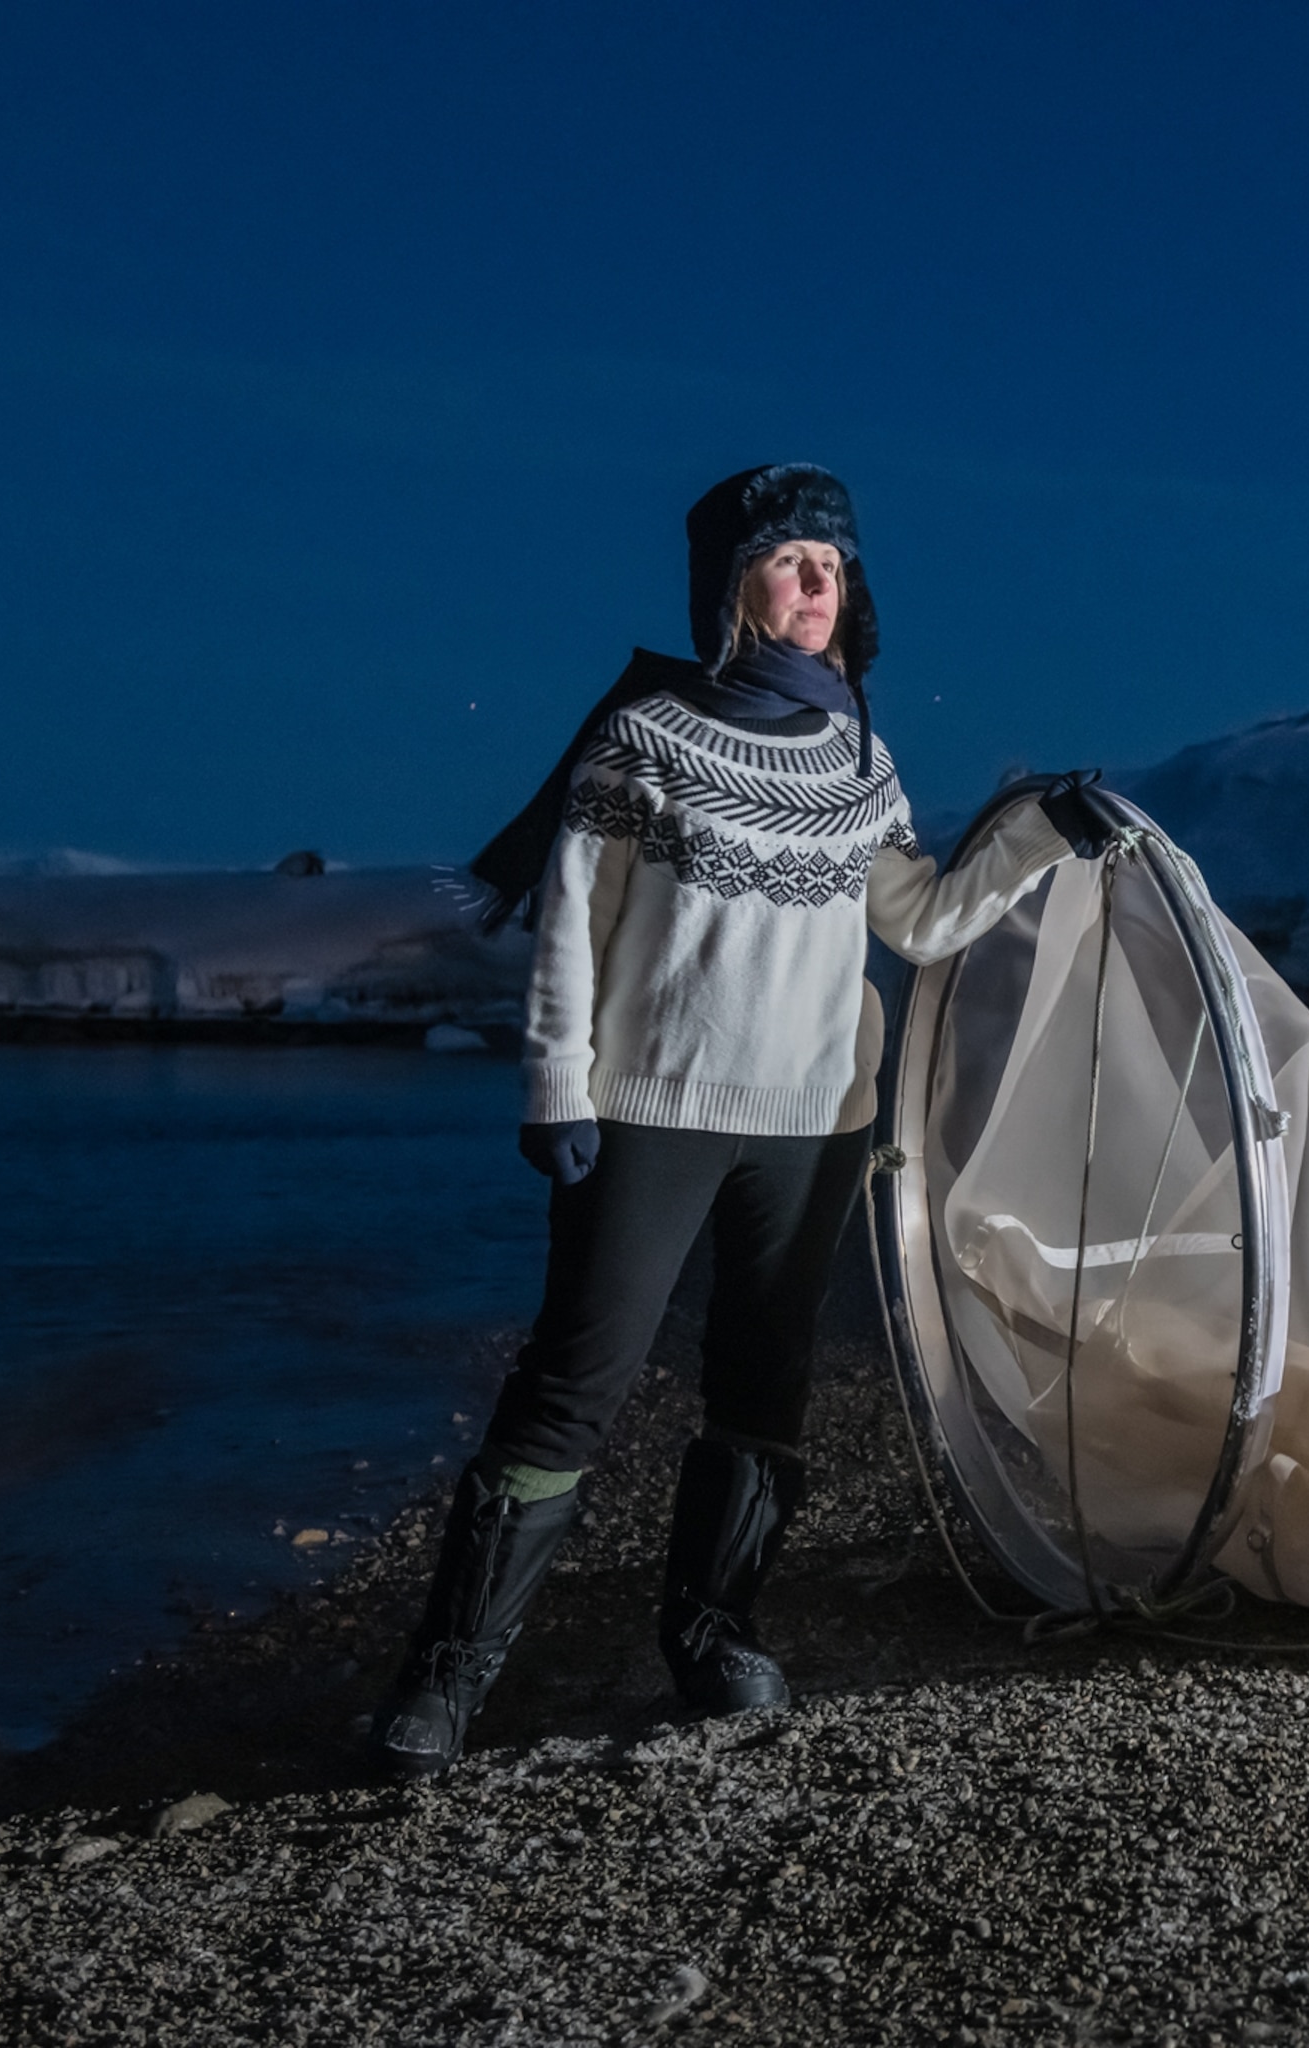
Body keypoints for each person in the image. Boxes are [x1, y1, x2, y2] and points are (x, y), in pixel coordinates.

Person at [371, 464, 1116, 1779]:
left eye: (835, 560)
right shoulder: (644, 741)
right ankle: (450, 1670)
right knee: (573, 1389)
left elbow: (922, 922)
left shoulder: (858, 755)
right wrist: (557, 1086)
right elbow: (572, 939)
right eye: (789, 560)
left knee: (760, 1388)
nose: (819, 581)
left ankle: (715, 1630)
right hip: (651, 1113)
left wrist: (1044, 831)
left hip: (815, 1126)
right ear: (733, 586)